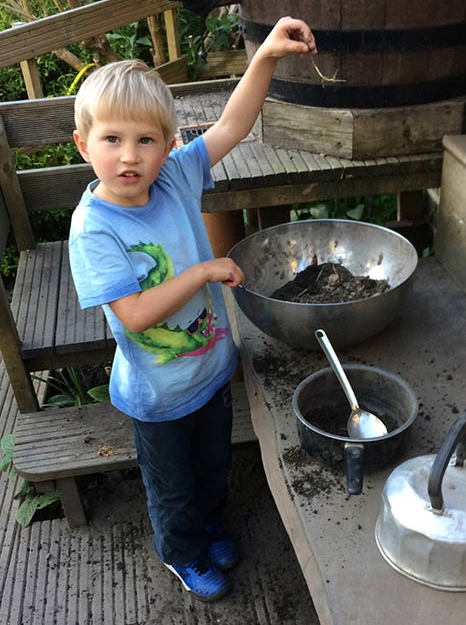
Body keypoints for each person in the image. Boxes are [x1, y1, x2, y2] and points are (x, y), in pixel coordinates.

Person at [69, 16, 317, 602]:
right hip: (156, 399)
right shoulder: (93, 228)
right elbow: (132, 316)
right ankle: (181, 553)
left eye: (146, 140)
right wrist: (204, 270)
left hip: (207, 370)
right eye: (112, 140)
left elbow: (233, 123)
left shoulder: (177, 177)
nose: (130, 157)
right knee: (172, 488)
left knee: (213, 469)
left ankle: (209, 529)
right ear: (83, 144)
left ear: (168, 145)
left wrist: (265, 59)